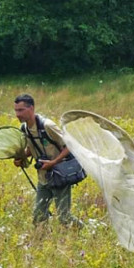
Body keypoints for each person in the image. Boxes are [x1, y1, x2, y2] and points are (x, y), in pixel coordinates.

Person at [12, 94, 81, 227]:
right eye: (16, 110)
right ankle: (39, 242)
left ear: (31, 108)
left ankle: (85, 233)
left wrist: (54, 162)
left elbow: (70, 146)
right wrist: (21, 158)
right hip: (43, 178)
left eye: (20, 110)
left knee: (64, 217)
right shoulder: (24, 129)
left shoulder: (47, 125)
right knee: (39, 216)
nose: (17, 114)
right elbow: (33, 148)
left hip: (59, 176)